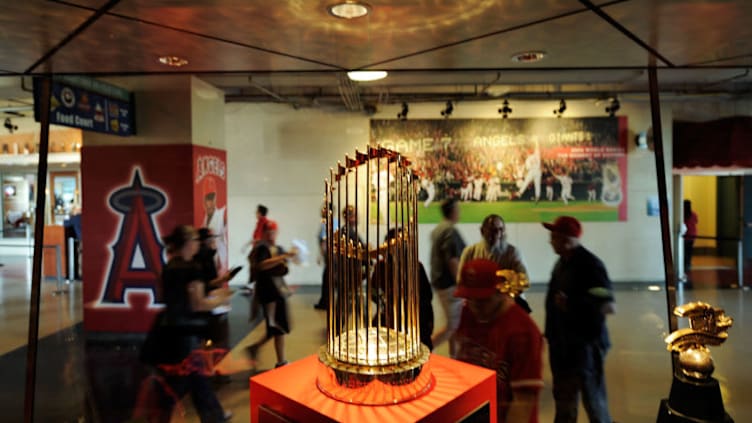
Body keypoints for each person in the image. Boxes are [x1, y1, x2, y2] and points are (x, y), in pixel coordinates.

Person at [151, 225, 233, 422]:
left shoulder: (170, 266)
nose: (198, 243)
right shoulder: (191, 268)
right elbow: (198, 304)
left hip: (170, 329)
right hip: (187, 333)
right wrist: (222, 299)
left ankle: (213, 415)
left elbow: (168, 297)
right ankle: (214, 417)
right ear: (188, 243)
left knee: (187, 379)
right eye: (196, 240)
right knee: (195, 378)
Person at [542, 216, 615, 423]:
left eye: (553, 236)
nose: (550, 241)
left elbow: (609, 305)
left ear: (566, 239)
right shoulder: (562, 263)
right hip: (562, 347)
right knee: (564, 404)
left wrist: (573, 304)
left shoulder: (590, 265)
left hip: (585, 348)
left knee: (594, 402)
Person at [454, 258, 544, 423]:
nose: (475, 306)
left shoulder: (523, 332)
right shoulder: (468, 312)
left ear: (500, 292)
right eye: (470, 298)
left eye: (482, 300)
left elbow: (523, 401)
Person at [371, 228, 434, 350]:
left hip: (414, 322)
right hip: (392, 321)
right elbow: (374, 292)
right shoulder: (381, 267)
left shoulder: (415, 266)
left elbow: (426, 297)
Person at [246, 219, 294, 369]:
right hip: (268, 293)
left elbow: (282, 268)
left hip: (277, 291)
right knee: (276, 327)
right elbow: (262, 265)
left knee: (277, 327)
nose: (271, 234)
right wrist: (282, 258)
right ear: (265, 232)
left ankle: (257, 348)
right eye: (269, 231)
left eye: (273, 231)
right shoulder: (262, 248)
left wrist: (286, 259)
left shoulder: (276, 248)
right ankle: (281, 361)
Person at [458, 214, 532, 313]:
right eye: (492, 230)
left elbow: (523, 281)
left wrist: (500, 294)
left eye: (500, 229)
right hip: (480, 306)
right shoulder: (470, 252)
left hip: (507, 306)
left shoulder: (512, 252)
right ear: (482, 231)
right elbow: (461, 281)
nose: (497, 234)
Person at [194, 228, 233, 384]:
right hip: (206, 302)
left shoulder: (206, 257)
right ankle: (208, 368)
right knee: (209, 338)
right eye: (211, 239)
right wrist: (223, 281)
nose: (213, 242)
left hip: (209, 300)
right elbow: (207, 282)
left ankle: (209, 367)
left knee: (210, 338)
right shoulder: (203, 259)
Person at [429, 198, 466, 356]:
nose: (459, 212)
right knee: (452, 325)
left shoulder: (439, 229)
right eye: (458, 209)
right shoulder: (450, 231)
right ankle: (426, 349)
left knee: (453, 325)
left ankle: (454, 357)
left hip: (440, 282)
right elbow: (452, 259)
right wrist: (461, 283)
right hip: (449, 284)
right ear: (453, 211)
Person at [202, 178, 228, 275]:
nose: (211, 201)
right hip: (209, 259)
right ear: (204, 200)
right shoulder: (204, 219)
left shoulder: (222, 213)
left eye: (213, 197)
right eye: (209, 198)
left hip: (220, 258)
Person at [314, 204, 337, 310]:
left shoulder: (326, 224)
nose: (321, 211)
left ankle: (325, 302)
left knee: (327, 278)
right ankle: (328, 301)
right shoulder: (335, 222)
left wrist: (320, 255)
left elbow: (324, 241)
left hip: (330, 254)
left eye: (324, 210)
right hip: (334, 255)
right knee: (329, 278)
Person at [683, 199, 698, 285]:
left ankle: (685, 264)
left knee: (685, 251)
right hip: (692, 235)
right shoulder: (693, 214)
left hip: (685, 235)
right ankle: (688, 264)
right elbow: (696, 222)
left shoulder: (682, 214)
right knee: (689, 250)